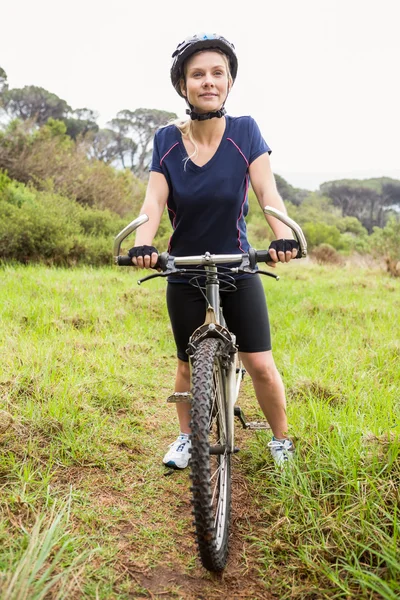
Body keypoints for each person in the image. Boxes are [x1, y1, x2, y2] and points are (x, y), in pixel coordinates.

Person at [129, 33, 299, 469]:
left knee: (259, 362)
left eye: (217, 73)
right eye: (197, 74)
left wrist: (282, 235)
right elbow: (153, 202)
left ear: (228, 82)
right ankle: (187, 437)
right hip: (183, 268)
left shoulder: (245, 131)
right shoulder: (166, 139)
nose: (208, 81)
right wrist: (141, 243)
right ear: (183, 85)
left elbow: (267, 191)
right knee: (187, 364)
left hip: (237, 266)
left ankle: (281, 441)